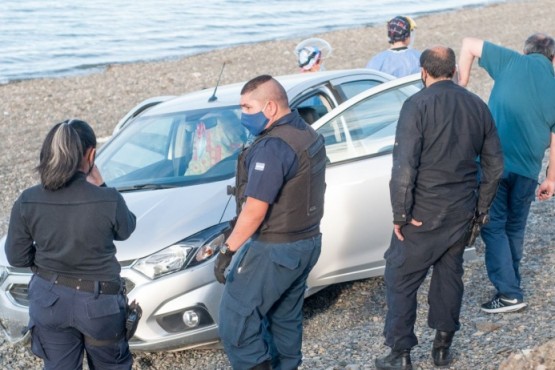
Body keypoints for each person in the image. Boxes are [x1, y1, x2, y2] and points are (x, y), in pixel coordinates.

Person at [375, 46, 503, 370]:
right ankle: (442, 348)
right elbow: (495, 166)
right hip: (461, 209)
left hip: (423, 213)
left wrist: (400, 215)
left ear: (423, 72)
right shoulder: (477, 105)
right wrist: (480, 211)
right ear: (454, 71)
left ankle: (400, 353)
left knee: (400, 278)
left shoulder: (416, 104)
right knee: (450, 276)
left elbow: (403, 166)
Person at [214, 75, 326, 370]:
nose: (243, 115)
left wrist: (227, 251)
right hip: (308, 242)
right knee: (284, 318)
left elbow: (255, 210)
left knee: (236, 321)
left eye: (248, 108)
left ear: (271, 107)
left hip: (277, 247)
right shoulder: (305, 131)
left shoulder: (272, 147)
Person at [5, 119, 137, 369]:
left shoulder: (28, 199)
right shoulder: (108, 199)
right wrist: (102, 185)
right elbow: (126, 230)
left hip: (50, 300)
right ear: (91, 154)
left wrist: (49, 262)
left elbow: (17, 257)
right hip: (99, 304)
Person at [458, 33, 555, 313]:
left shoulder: (511, 61)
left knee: (493, 225)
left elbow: (468, 44)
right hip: (527, 170)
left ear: (525, 52)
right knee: (514, 227)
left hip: (493, 165)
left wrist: (462, 81)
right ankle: (512, 284)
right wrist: (550, 178)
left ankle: (509, 293)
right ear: (552, 58)